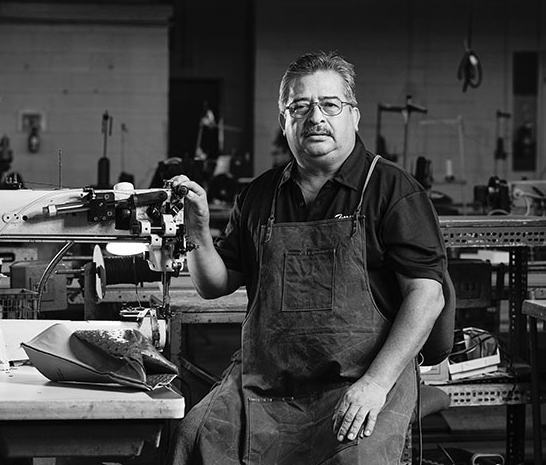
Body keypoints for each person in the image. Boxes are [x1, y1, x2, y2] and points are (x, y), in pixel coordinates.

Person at [168, 51, 447, 464]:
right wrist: (196, 229)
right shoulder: (259, 195)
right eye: (299, 107)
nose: (315, 117)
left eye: (329, 105)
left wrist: (376, 382)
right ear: (285, 122)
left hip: (361, 380)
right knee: (193, 437)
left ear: (353, 115)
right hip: (266, 385)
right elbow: (214, 284)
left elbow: (428, 296)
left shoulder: (393, 190)